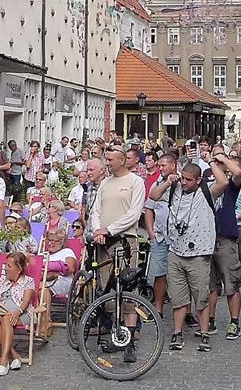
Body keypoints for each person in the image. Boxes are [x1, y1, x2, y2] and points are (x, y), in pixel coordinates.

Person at [149, 159, 227, 354]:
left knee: (201, 296)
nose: (184, 182)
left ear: (198, 180)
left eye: (189, 180)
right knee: (178, 297)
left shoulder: (206, 191)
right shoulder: (174, 187)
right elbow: (153, 195)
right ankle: (177, 332)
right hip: (175, 250)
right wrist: (168, 181)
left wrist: (212, 160)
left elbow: (224, 182)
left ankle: (204, 333)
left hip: (199, 253)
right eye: (182, 178)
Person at [89, 146, 147, 361]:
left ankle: (129, 340)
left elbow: (133, 214)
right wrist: (98, 230)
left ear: (122, 160)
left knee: (128, 290)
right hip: (103, 242)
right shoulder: (105, 183)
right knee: (108, 290)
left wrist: (110, 229)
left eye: (111, 159)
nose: (108, 163)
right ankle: (115, 333)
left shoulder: (135, 182)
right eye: (106, 159)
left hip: (125, 241)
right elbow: (97, 210)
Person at [206, 152, 241, 340]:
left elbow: (238, 172)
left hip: (225, 240)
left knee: (231, 284)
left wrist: (223, 159)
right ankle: (211, 319)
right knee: (211, 285)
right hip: (207, 240)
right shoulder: (208, 178)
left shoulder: (231, 186)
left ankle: (234, 322)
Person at [0, 251, 36, 377]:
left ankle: (3, 361)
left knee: (7, 318)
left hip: (22, 314)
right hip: (2, 313)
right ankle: (14, 355)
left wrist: (18, 312)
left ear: (19, 269)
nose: (5, 269)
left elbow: (26, 302)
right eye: (5, 265)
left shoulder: (28, 281)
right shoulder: (1, 281)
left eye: (9, 266)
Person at [145, 153, 175, 316]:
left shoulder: (181, 182)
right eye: (160, 165)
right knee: (159, 273)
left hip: (177, 237)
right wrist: (150, 232)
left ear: (173, 165)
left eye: (164, 165)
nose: (160, 168)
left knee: (180, 275)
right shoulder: (157, 184)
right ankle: (158, 308)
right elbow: (149, 206)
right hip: (160, 235)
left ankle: (186, 311)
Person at [39, 230, 78, 338]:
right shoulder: (42, 254)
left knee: (44, 289)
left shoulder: (67, 252)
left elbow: (70, 268)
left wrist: (52, 271)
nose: (50, 243)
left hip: (63, 280)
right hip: (43, 281)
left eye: (53, 241)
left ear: (61, 242)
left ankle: (46, 322)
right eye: (48, 240)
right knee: (37, 288)